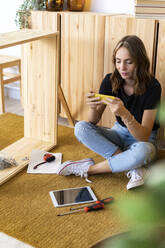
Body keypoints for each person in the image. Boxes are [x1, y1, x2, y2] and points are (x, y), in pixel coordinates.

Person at [56, 35, 162, 190]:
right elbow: (92, 121)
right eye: (118, 61)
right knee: (81, 127)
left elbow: (143, 136)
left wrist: (125, 114)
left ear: (140, 62)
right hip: (118, 134)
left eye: (129, 62)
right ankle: (132, 166)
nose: (122, 68)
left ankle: (89, 169)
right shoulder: (110, 80)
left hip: (142, 140)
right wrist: (92, 107)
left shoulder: (153, 86)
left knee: (144, 151)